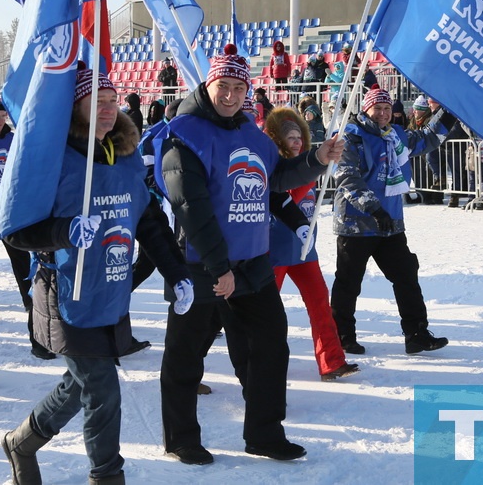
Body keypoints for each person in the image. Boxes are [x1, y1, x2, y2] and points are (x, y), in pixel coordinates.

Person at [0, 69, 194, 485]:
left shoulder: (124, 155)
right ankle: (107, 477)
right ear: (75, 106)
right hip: (65, 292)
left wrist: (177, 272)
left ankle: (22, 443)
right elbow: (14, 230)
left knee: (82, 380)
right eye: (98, 101)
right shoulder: (51, 156)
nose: (109, 109)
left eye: (113, 100)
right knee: (102, 388)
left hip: (109, 289)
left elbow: (148, 221)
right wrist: (61, 231)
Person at [155, 44, 345, 465]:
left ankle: (264, 433)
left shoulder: (252, 135)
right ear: (209, 83)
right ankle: (180, 437)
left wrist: (317, 159)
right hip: (200, 263)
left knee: (270, 346)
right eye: (223, 85)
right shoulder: (183, 133)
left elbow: (276, 181)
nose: (231, 95)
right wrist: (218, 267)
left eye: (239, 87)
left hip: (253, 262)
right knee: (186, 354)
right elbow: (192, 206)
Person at [330, 87, 449, 356]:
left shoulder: (395, 135)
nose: (383, 113)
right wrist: (374, 208)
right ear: (366, 109)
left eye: (387, 108)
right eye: (377, 108)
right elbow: (347, 177)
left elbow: (428, 138)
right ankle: (342, 335)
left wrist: (448, 114)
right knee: (349, 282)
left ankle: (417, 333)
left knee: (406, 275)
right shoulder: (351, 135)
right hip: (356, 223)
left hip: (390, 222)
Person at [263, 108, 358, 382]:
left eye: (298, 137)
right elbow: (285, 197)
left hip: (305, 250)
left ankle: (332, 361)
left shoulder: (310, 164)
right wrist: (314, 169)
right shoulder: (278, 168)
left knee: (319, 303)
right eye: (289, 138)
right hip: (276, 249)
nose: (296, 142)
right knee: (267, 312)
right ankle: (260, 365)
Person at [0, 100, 54, 361]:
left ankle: (38, 338)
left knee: (27, 276)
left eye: (2, 115)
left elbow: (23, 170)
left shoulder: (13, 138)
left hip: (11, 214)